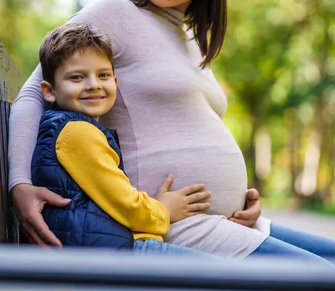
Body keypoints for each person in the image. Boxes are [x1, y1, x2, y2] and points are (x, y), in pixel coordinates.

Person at [9, 0, 335, 264]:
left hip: (226, 220)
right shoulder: (114, 14)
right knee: (329, 278)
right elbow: (35, 92)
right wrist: (20, 184)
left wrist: (240, 196)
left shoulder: (190, 39)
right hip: (169, 223)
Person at [31, 22, 216, 257]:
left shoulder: (80, 129)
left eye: (103, 75)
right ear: (49, 91)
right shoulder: (76, 133)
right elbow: (124, 204)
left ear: (115, 83)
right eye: (77, 77)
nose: (93, 84)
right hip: (114, 254)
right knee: (228, 277)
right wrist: (164, 211)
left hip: (108, 247)